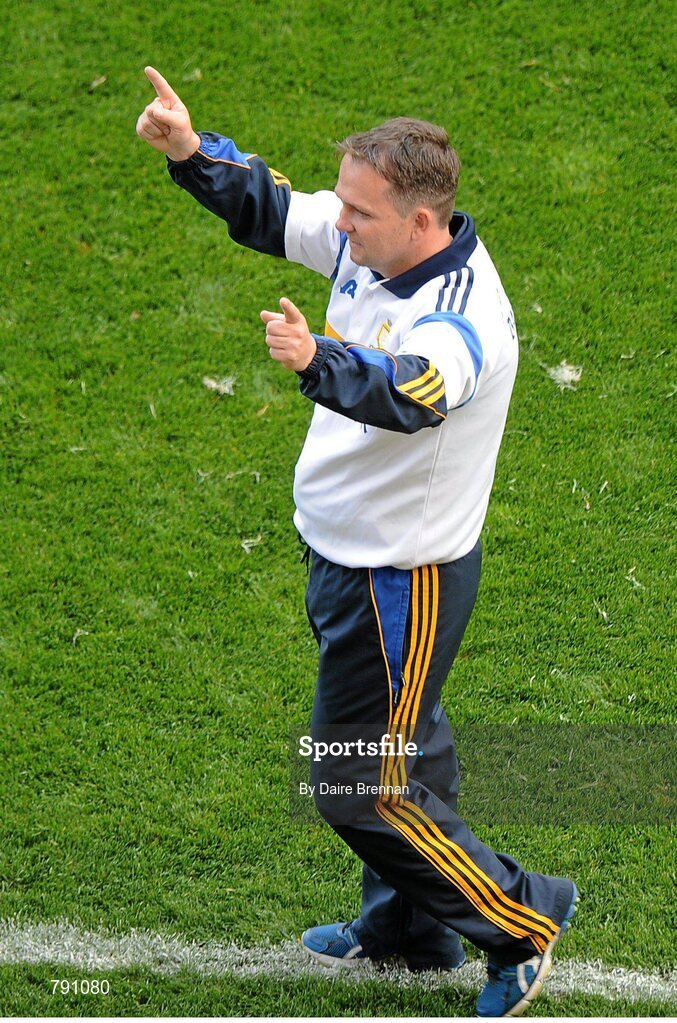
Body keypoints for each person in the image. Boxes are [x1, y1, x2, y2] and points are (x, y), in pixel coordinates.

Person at [136, 66, 578, 1017]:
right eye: (342, 203)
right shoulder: (369, 246)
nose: (337, 223)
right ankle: (409, 933)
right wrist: (189, 149)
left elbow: (410, 391)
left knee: (356, 786)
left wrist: (316, 358)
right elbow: (275, 208)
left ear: (420, 221)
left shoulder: (463, 317)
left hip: (399, 581)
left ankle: (523, 917)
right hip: (346, 558)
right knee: (402, 755)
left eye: (358, 211)